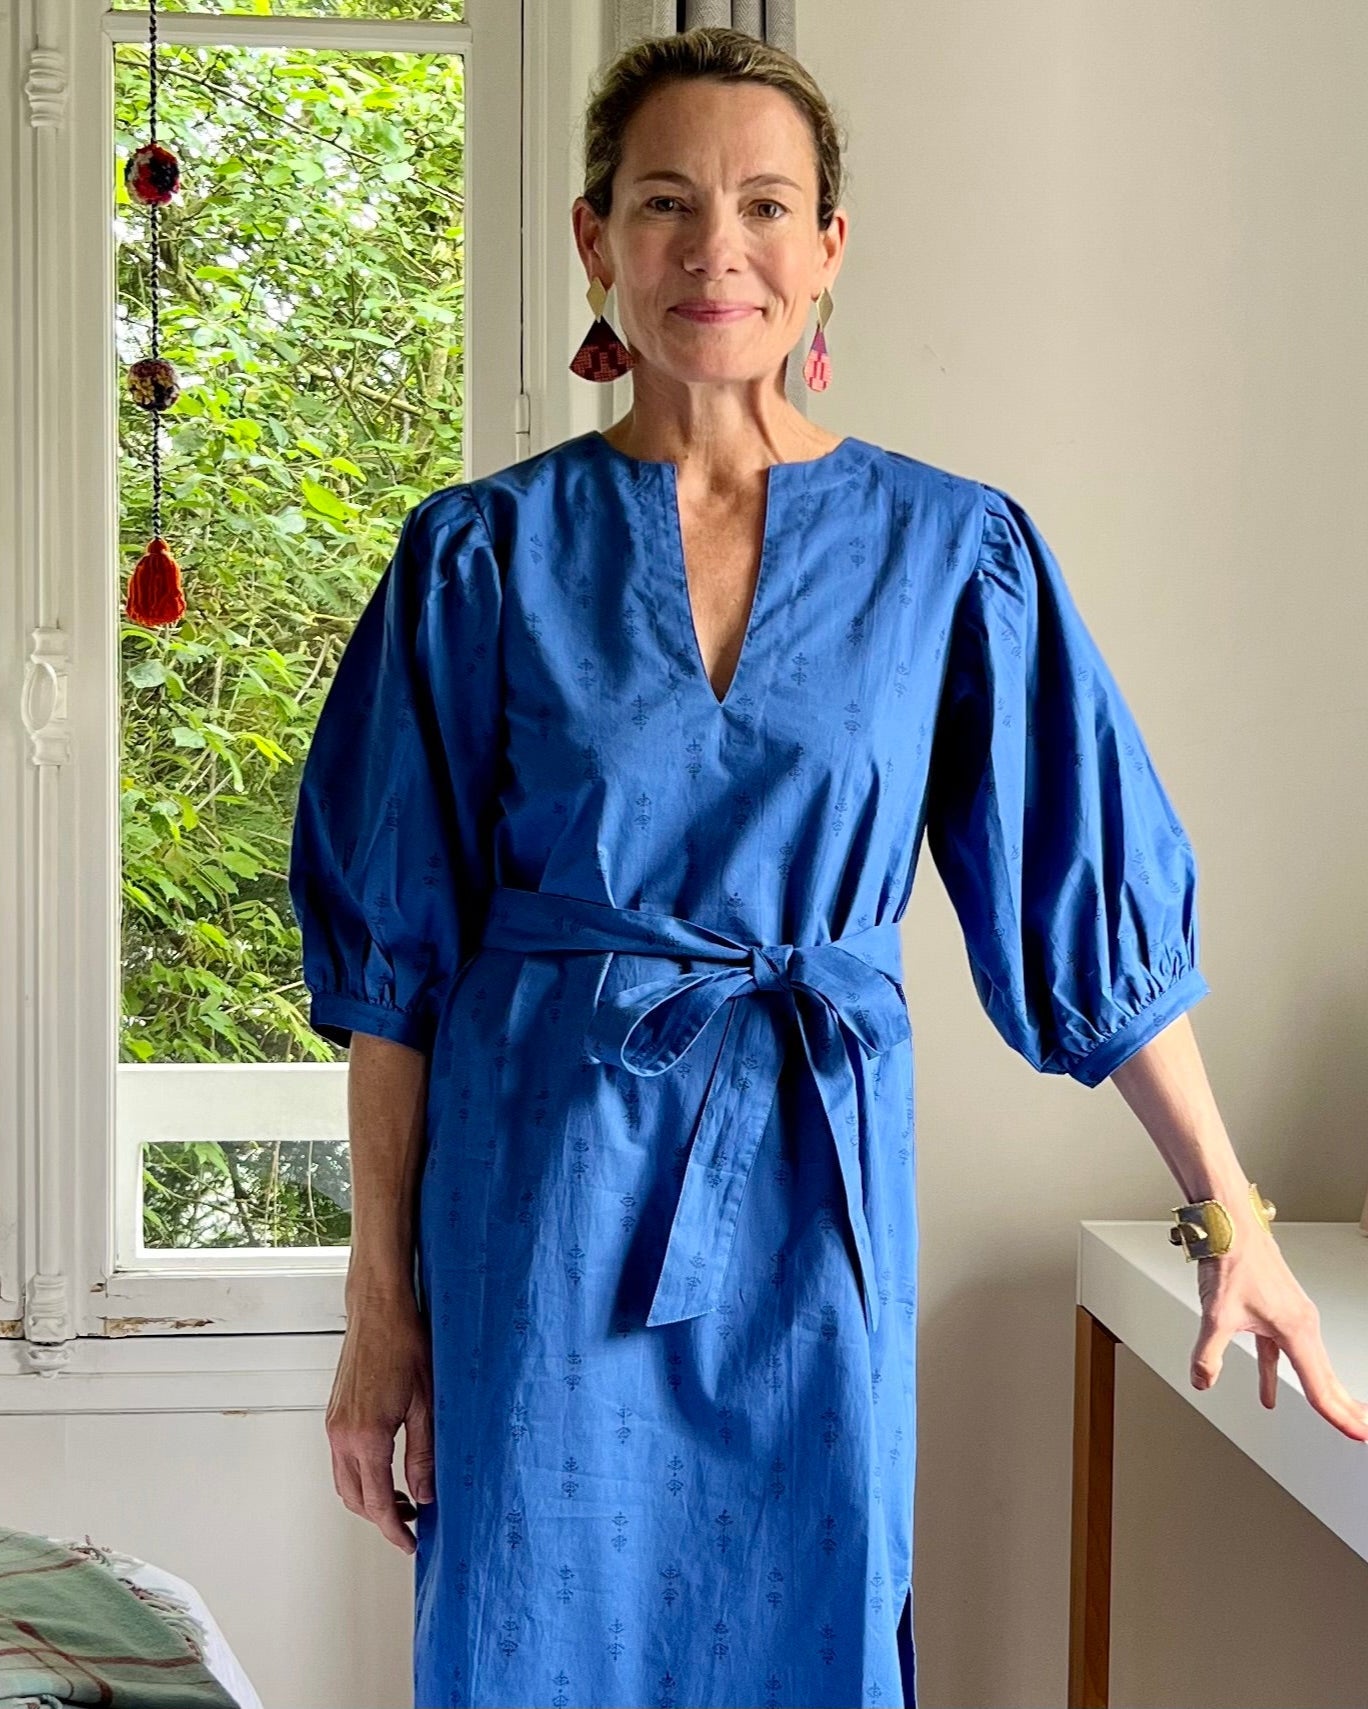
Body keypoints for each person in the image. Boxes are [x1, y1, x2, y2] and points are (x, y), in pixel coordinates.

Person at [287, 25, 1368, 1709]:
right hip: (540, 1208)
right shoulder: (475, 560)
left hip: (816, 1204)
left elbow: (1089, 913)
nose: (719, 246)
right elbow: (393, 984)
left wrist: (1238, 1218)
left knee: (807, 1635)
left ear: (828, 251)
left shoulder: (955, 552)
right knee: (529, 1640)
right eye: (666, 202)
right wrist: (380, 1318)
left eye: (767, 205)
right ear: (597, 243)